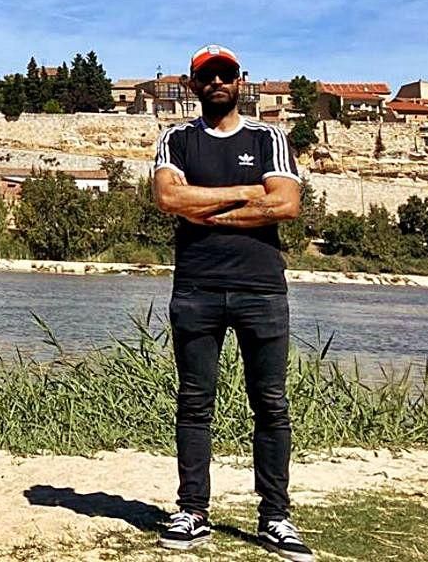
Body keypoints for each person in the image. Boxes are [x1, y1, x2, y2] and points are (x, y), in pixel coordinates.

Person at [152, 45, 311, 560]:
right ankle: (192, 509)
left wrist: (210, 207)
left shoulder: (270, 138)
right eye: (207, 76)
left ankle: (275, 517)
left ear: (240, 80)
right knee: (195, 402)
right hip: (196, 289)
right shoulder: (175, 139)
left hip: (261, 289)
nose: (217, 82)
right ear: (192, 85)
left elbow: (286, 204)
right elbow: (169, 200)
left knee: (270, 404)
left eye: (225, 74)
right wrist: (249, 193)